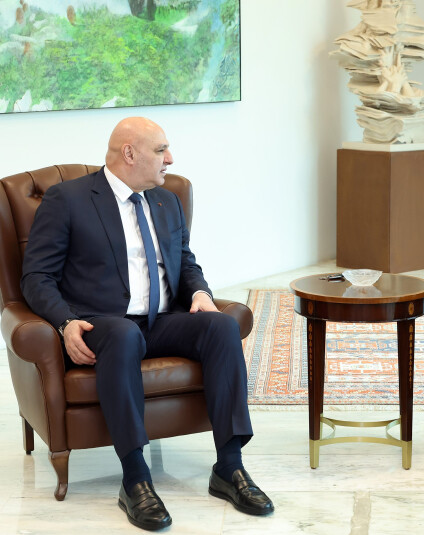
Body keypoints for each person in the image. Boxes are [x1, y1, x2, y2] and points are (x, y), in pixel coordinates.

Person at [21, 117, 274, 531]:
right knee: (122, 335)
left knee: (222, 326)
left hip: (161, 321)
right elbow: (36, 277)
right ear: (129, 153)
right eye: (161, 150)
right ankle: (135, 478)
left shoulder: (165, 200)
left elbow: (185, 263)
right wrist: (66, 322)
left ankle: (229, 467)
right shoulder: (68, 199)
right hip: (103, 325)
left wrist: (200, 294)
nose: (169, 158)